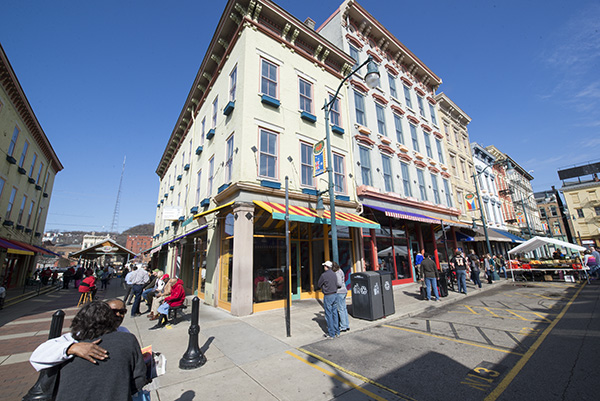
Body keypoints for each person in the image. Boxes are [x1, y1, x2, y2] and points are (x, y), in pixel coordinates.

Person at [51, 301, 146, 401]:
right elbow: (139, 379)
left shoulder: (65, 345)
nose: (118, 315)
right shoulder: (127, 339)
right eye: (115, 312)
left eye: (122, 312)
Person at [29, 299, 130, 371]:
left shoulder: (124, 332)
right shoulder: (77, 337)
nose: (118, 315)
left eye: (122, 312)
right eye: (113, 311)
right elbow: (37, 357)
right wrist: (72, 348)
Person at [317, 261, 340, 339]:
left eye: (324, 266)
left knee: (329, 314)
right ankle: (337, 331)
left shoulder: (324, 275)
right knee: (335, 313)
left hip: (328, 295)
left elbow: (319, 284)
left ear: (326, 266)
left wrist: (324, 287)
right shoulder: (334, 274)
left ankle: (331, 333)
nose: (324, 267)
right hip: (335, 294)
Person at [333, 262, 350, 333]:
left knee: (341, 309)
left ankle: (343, 326)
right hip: (344, 291)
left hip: (339, 292)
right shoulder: (341, 271)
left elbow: (339, 283)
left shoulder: (337, 273)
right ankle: (346, 325)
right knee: (344, 308)